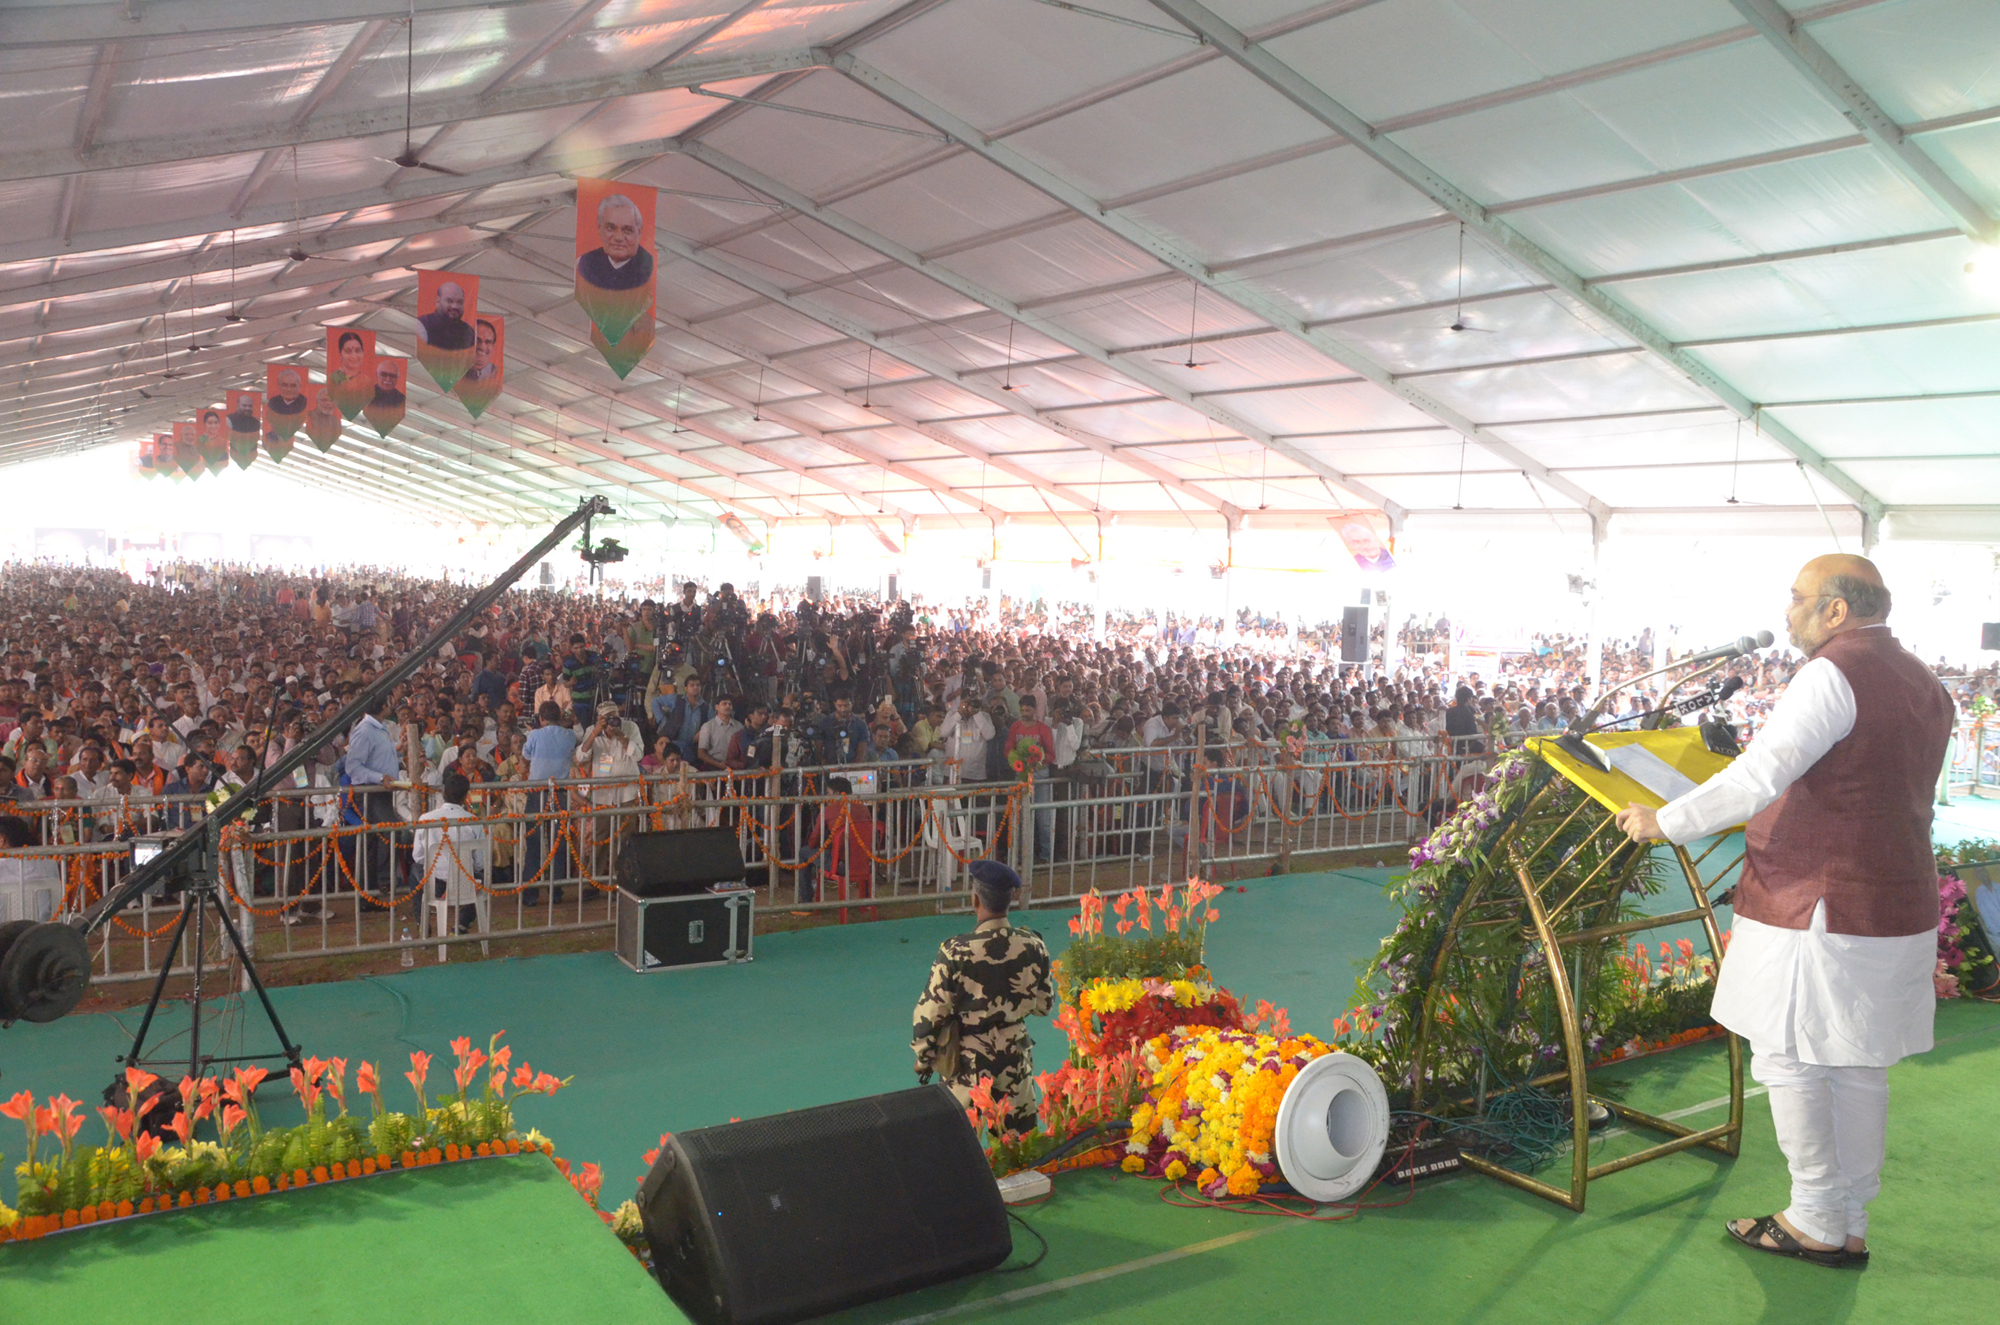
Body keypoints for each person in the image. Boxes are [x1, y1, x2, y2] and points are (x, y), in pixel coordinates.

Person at [1616, 555, 1954, 1269]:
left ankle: (1813, 1217)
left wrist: (1666, 819)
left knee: (1788, 1054)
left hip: (1819, 902)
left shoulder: (1833, 672)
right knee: (1857, 1063)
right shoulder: (1925, 680)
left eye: (1799, 598)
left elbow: (1762, 772)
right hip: (1892, 898)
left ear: (1837, 610)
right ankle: (1848, 1218)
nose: (1789, 610)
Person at [909, 860, 1054, 1133]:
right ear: (1009, 900)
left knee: (961, 1151)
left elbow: (930, 1014)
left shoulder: (954, 951)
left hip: (968, 1059)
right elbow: (1044, 1005)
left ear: (975, 899)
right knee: (1019, 1149)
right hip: (1016, 1053)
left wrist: (923, 1058)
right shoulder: (1034, 944)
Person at [413, 769, 489, 939]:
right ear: (466, 796)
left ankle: (422, 923)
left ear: (443, 793)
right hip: (466, 885)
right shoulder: (473, 821)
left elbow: (418, 856)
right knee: (483, 878)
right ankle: (461, 924)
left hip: (435, 884)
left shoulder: (425, 819)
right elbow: (480, 862)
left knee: (415, 871)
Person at [338, 696, 402, 894]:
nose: (392, 704)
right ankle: (380, 880)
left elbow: (379, 758)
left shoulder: (379, 728)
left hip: (382, 791)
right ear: (384, 706)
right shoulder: (364, 730)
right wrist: (379, 777)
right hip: (370, 791)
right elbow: (353, 767)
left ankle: (370, 887)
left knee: (374, 840)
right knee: (389, 830)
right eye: (389, 701)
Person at [575, 192, 655, 292]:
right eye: (610, 228)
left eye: (627, 230)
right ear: (599, 227)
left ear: (639, 232)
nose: (618, 237)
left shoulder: (651, 268)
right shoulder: (585, 263)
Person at [416, 281, 475, 350]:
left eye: (460, 302)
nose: (455, 306)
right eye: (449, 301)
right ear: (438, 301)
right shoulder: (422, 325)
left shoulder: (468, 331)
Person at [463, 318, 502, 383]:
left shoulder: (495, 372)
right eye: (477, 340)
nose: (482, 346)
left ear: (493, 347)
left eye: (488, 342)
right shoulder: (452, 368)